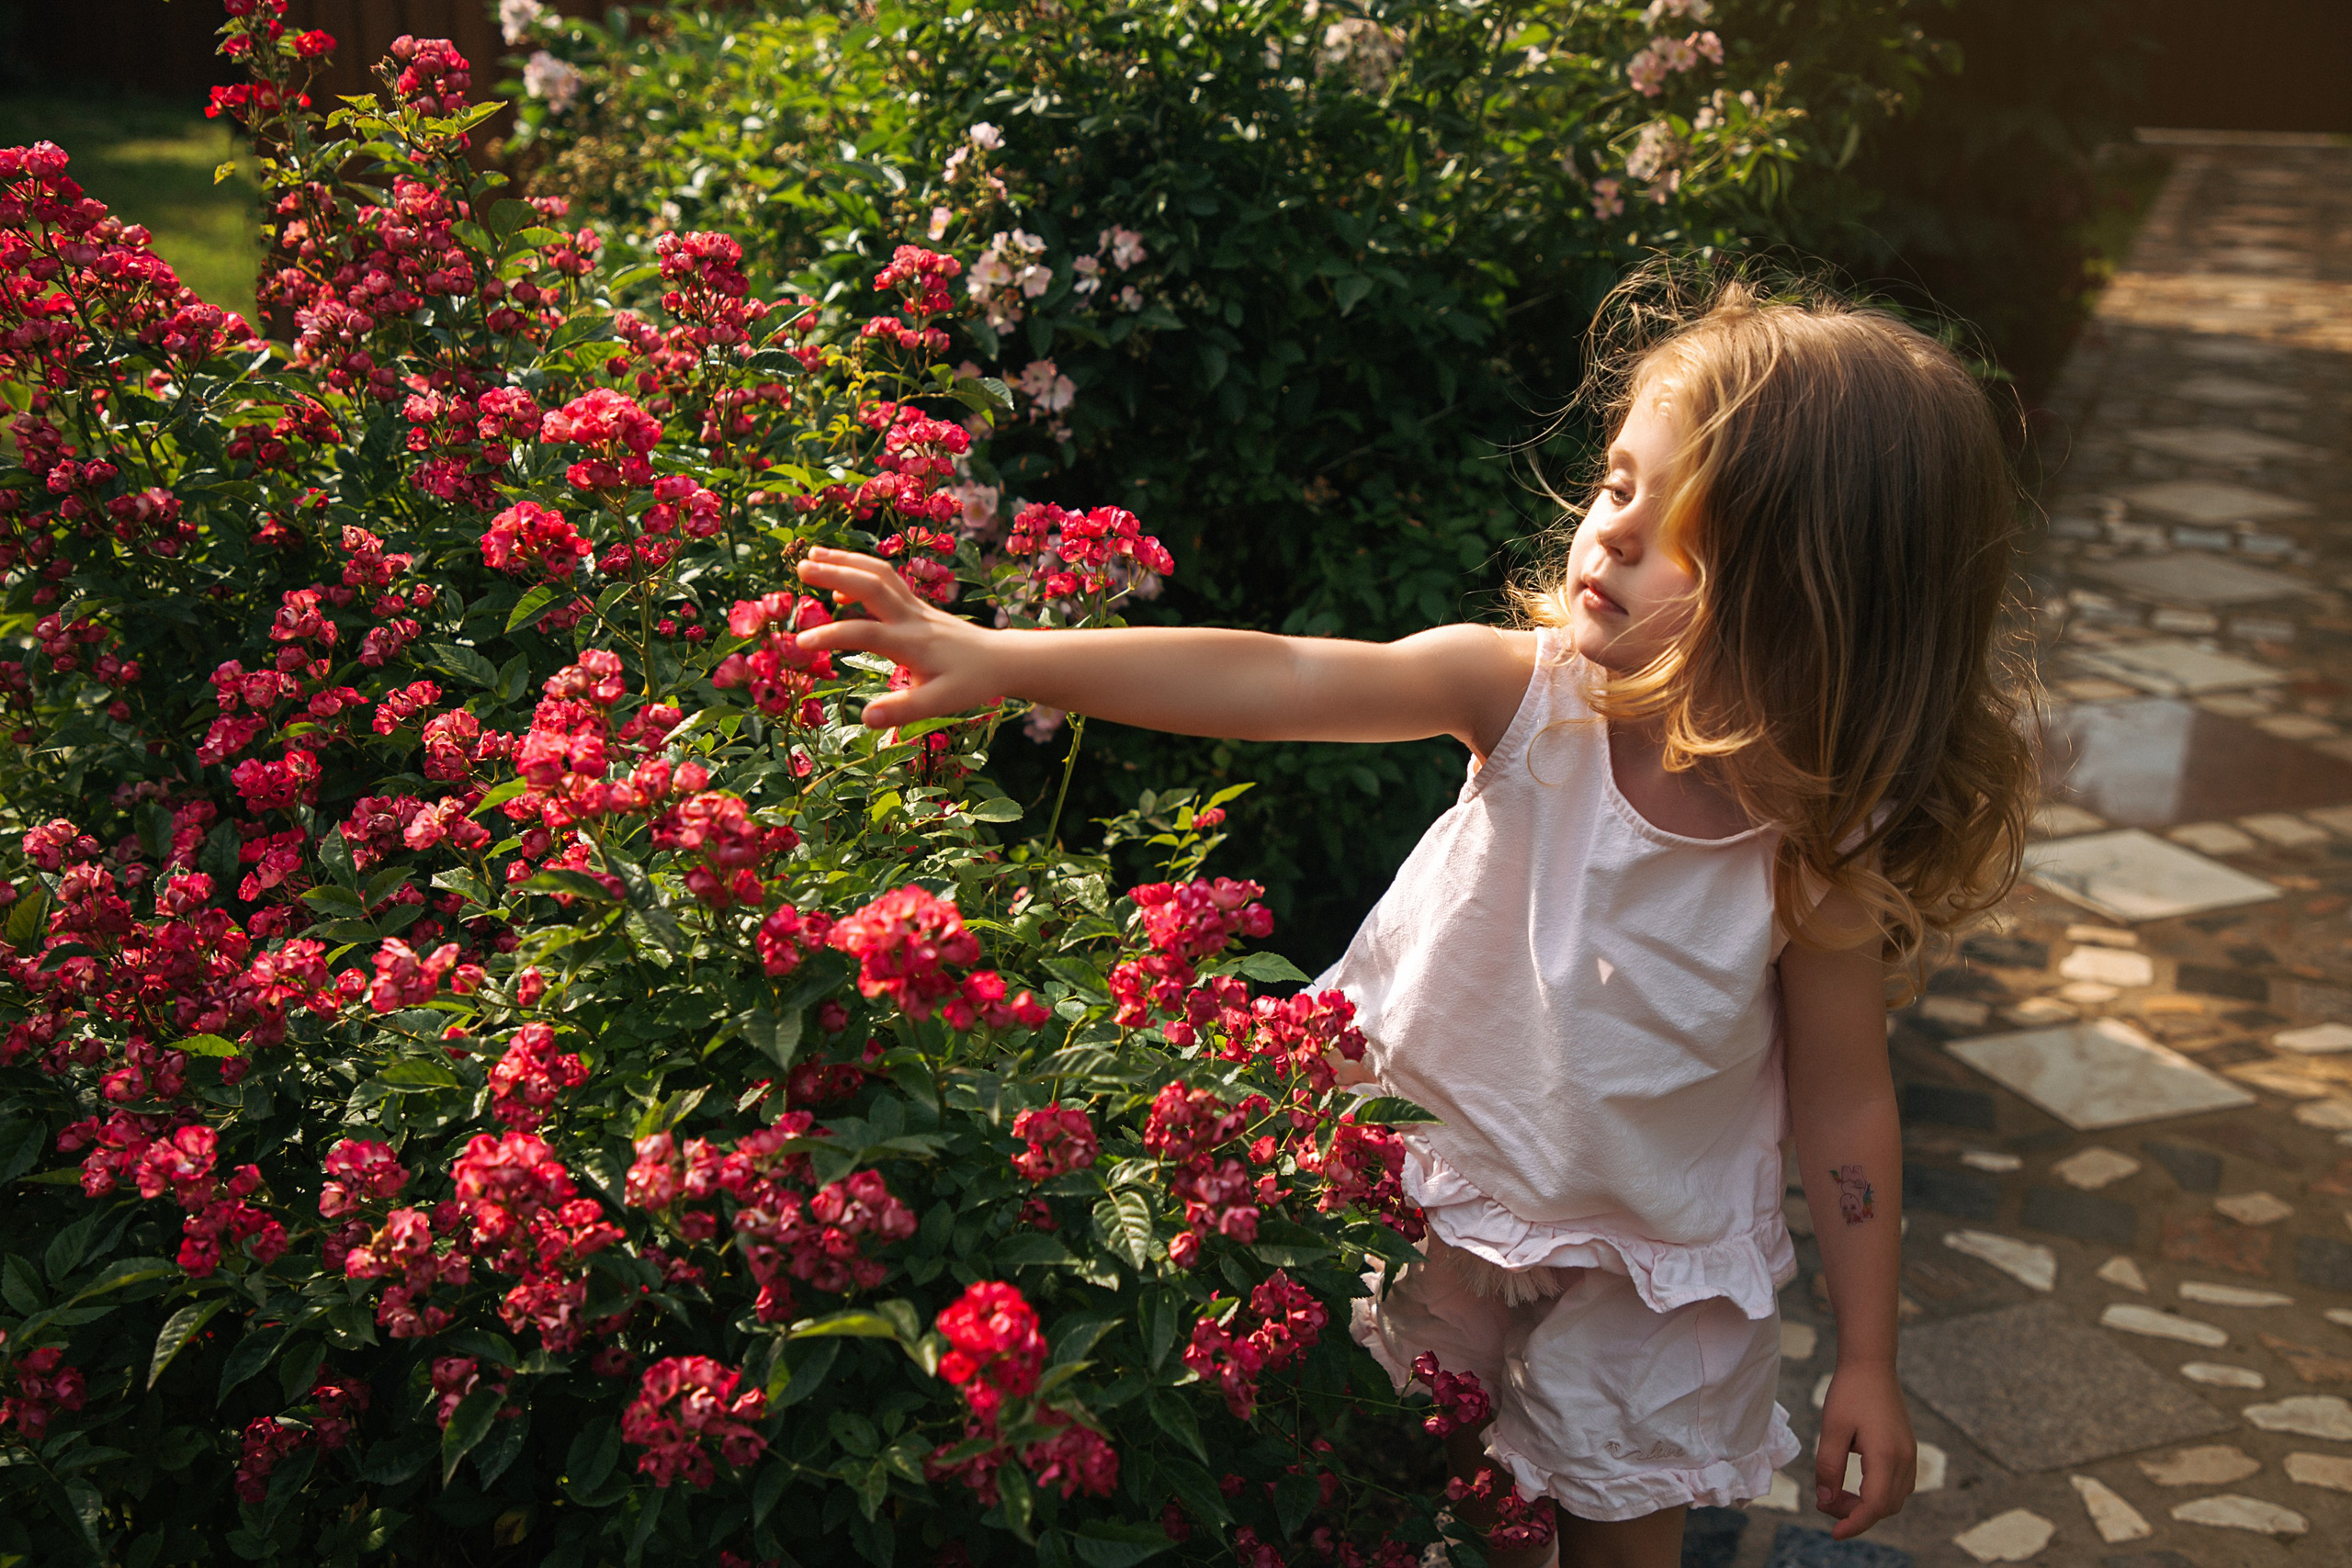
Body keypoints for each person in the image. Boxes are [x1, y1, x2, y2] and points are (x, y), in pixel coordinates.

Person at [792, 270, 2038, 1568]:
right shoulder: (1524, 698)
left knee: (1618, 1541)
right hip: (1426, 1204)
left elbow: (1846, 1102)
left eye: (1679, 529)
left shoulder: (1816, 842)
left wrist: (1872, 1360)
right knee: (1399, 1512)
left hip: (1649, 1278)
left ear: (1814, 593)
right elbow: (1278, 673)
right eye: (1616, 485)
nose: (1606, 534)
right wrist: (1002, 657)